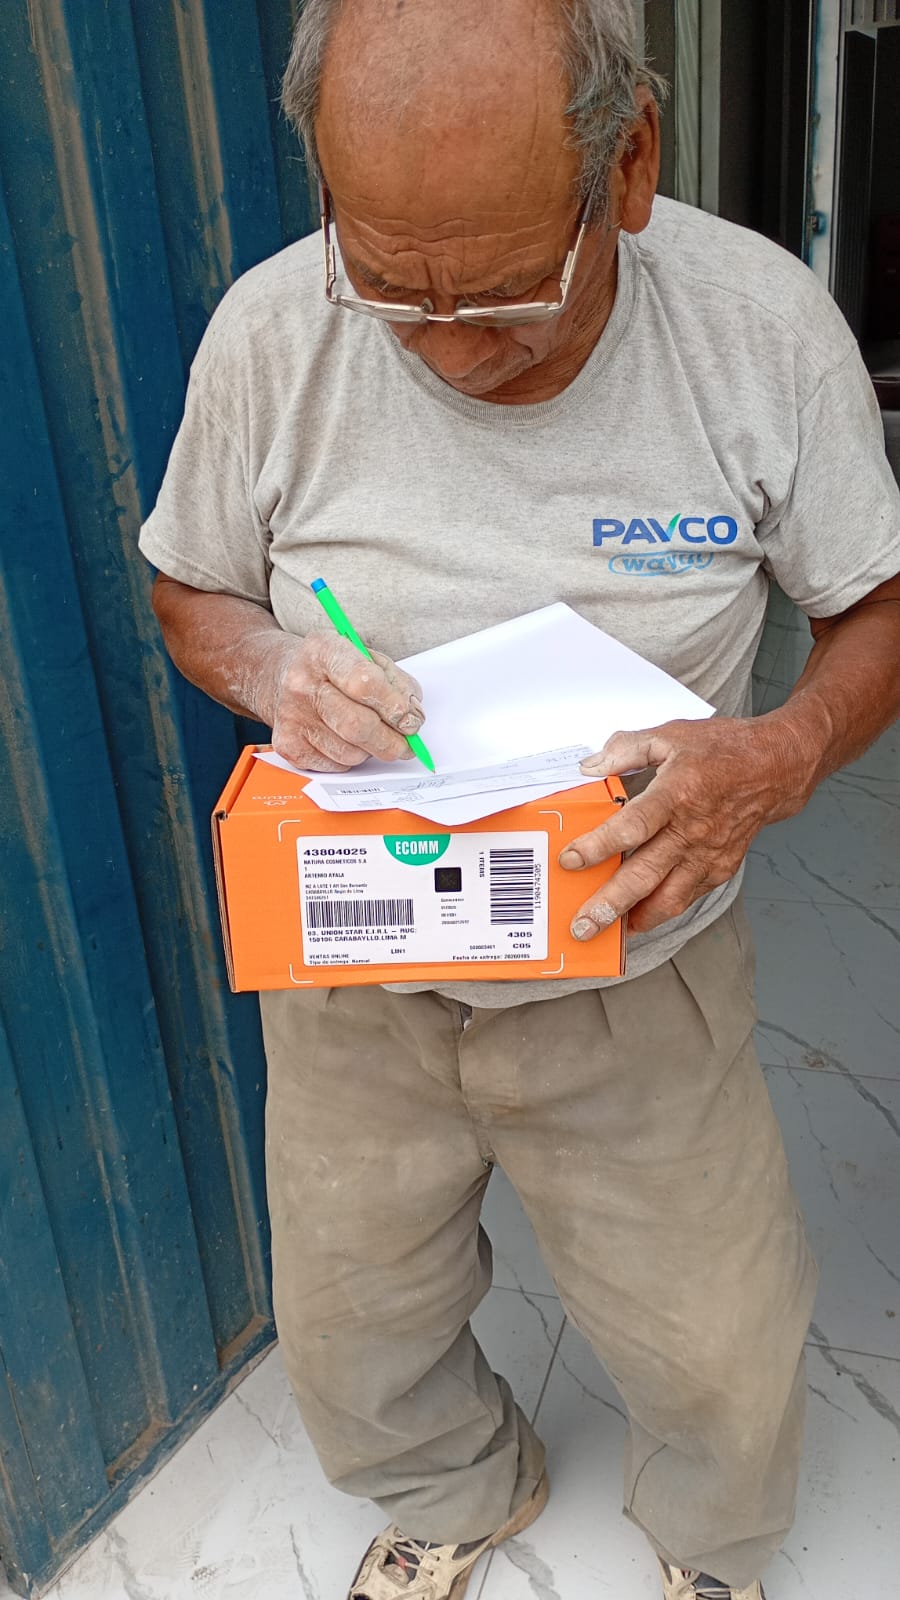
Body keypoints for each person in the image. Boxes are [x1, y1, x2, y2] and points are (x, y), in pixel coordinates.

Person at [138, 2, 900, 1596]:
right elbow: (192, 588)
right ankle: (452, 1484)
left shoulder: (759, 333)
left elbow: (874, 607)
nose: (445, 347)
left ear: (630, 163)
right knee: (352, 1315)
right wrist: (272, 670)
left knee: (716, 1331)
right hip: (359, 954)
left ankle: (710, 1547)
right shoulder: (274, 331)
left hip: (636, 954)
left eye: (499, 293)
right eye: (388, 284)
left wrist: (779, 755)